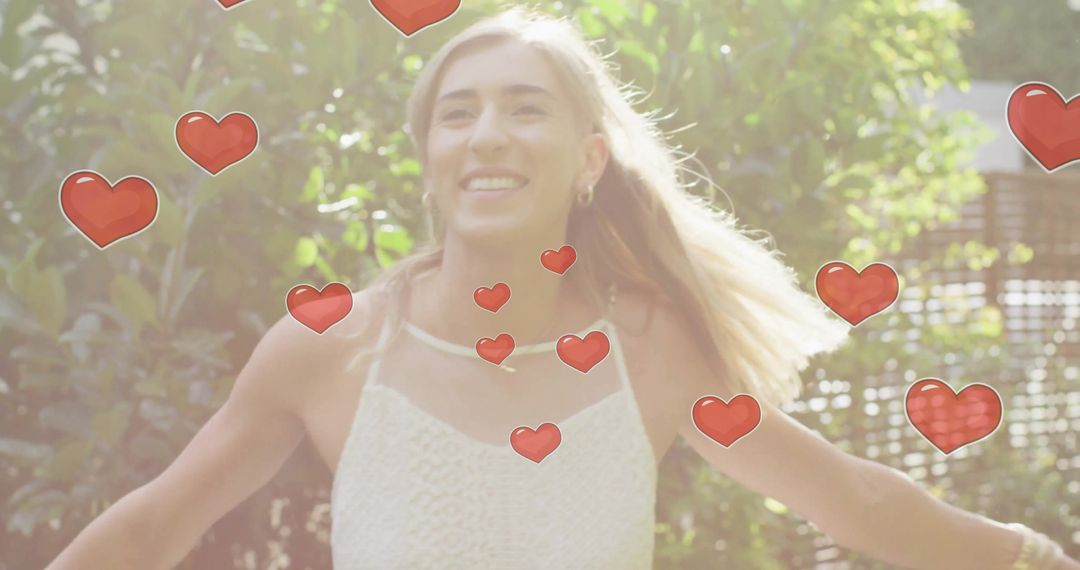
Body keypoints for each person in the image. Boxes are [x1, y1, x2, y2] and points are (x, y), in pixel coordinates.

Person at [47, 5, 1079, 570]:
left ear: (588, 161)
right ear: (430, 158)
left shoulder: (655, 351)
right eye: (457, 114)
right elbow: (147, 531)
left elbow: (851, 499)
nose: (487, 134)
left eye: (524, 108)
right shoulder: (331, 349)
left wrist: (1030, 559)